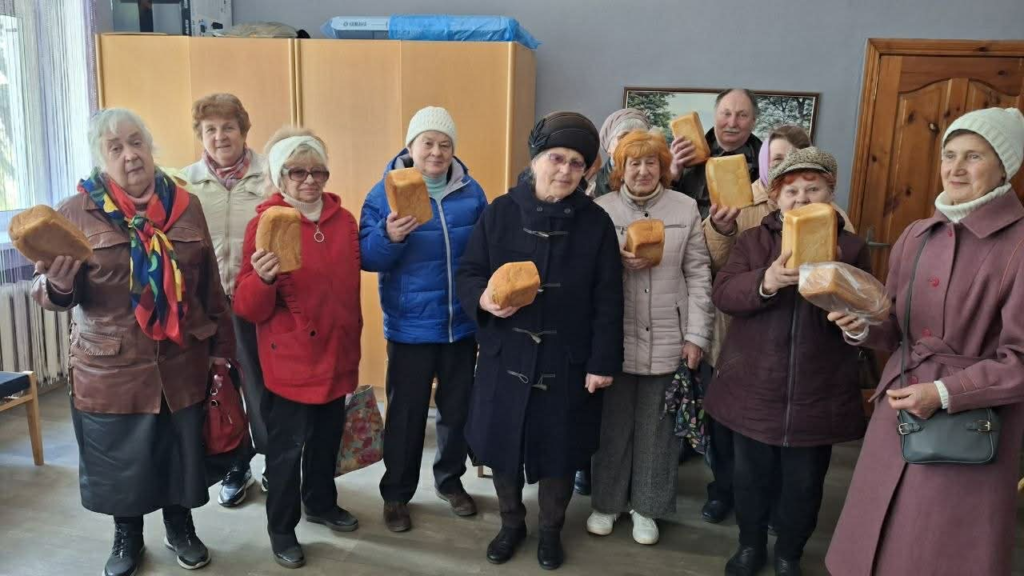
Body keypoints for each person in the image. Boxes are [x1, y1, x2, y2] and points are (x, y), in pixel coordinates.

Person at [32, 108, 234, 576]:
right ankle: (127, 535)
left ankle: (180, 527)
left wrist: (225, 353)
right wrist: (61, 286)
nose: (130, 155)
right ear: (102, 159)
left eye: (136, 142)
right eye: (116, 147)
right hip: (110, 367)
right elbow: (46, 291)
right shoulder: (73, 212)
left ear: (150, 147)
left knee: (177, 450)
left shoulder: (186, 206)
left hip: (181, 360)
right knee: (124, 459)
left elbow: (211, 289)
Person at [825, 107, 1024, 576]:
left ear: (1005, 165)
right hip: (897, 412)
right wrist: (858, 325)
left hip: (970, 428)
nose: (955, 168)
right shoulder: (916, 234)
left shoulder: (1020, 246)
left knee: (936, 552)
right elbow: (893, 328)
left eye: (972, 156)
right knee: (873, 543)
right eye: (948, 154)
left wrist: (944, 393)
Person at [455, 112, 623, 570]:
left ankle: (550, 529)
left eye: (576, 162)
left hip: (567, 359)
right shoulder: (501, 212)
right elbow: (469, 272)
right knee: (503, 443)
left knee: (560, 451)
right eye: (556, 158)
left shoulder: (596, 224)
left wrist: (602, 361)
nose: (565, 170)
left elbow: (609, 298)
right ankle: (511, 523)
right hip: (505, 354)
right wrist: (485, 301)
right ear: (535, 159)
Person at [705, 147, 869, 576]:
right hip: (755, 385)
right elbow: (724, 294)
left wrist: (854, 321)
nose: (801, 197)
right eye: (790, 190)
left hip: (820, 388)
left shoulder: (850, 248)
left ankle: (789, 553)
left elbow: (867, 309)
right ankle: (749, 545)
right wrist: (766, 280)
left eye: (812, 188)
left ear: (830, 194)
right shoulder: (752, 241)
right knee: (750, 478)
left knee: (804, 484)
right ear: (775, 198)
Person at [233, 126, 362, 569]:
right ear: (278, 175)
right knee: (287, 450)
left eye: (318, 171)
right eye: (297, 172)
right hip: (290, 359)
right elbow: (247, 307)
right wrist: (264, 278)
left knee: (328, 439)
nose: (309, 180)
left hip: (338, 350)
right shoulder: (264, 223)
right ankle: (281, 528)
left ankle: (321, 503)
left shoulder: (344, 221)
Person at [359, 106, 488, 532]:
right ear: (411, 147)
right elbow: (366, 257)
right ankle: (396, 493)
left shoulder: (472, 192)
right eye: (428, 143)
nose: (436, 152)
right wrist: (388, 237)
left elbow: (485, 251)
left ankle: (449, 481)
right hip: (412, 326)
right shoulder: (384, 194)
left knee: (456, 411)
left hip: (461, 324)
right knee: (407, 415)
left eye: (444, 144)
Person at [589, 129, 713, 545]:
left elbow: (698, 275)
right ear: (619, 169)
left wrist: (696, 335)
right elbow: (585, 279)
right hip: (616, 340)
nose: (642, 171)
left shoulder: (685, 208)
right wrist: (613, 261)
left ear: (663, 167)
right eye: (633, 163)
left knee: (659, 432)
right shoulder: (600, 211)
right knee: (612, 427)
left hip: (669, 335)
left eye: (651, 163)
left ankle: (647, 508)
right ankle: (607, 503)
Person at [181, 92, 269, 506]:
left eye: (228, 127)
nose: (220, 136)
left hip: (259, 302)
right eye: (210, 129)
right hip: (207, 307)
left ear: (243, 130)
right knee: (220, 391)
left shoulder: (269, 176)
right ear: (200, 134)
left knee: (262, 388)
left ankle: (275, 461)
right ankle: (237, 464)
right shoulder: (183, 184)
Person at [672, 88, 763, 219]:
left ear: (753, 121)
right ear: (715, 116)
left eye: (742, 115)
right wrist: (671, 176)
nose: (732, 123)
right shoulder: (683, 155)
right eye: (726, 114)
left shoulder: (767, 164)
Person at [590, 108, 651, 199]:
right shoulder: (592, 182)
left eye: (640, 138)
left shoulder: (654, 178)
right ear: (609, 148)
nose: (632, 144)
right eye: (624, 137)